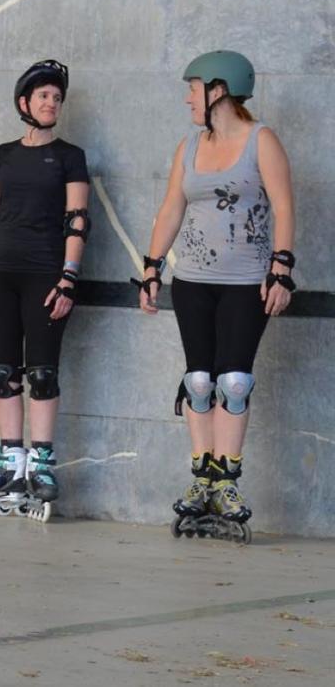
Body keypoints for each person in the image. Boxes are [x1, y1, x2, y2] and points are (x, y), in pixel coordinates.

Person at [135, 50, 295, 542]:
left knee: (234, 380)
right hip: (194, 282)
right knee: (200, 381)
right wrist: (151, 266)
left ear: (219, 90)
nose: (188, 97)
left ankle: (228, 481)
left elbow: (285, 206)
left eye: (193, 87)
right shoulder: (188, 146)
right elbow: (170, 210)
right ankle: (201, 476)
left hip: (248, 281)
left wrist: (282, 269)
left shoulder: (260, 141)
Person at [0, 59, 90, 519]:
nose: (52, 103)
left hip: (46, 275)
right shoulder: (3, 154)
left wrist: (69, 276)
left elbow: (78, 220)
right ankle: (11, 463)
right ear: (24, 103)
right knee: (2, 371)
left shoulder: (71, 156)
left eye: (56, 97)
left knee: (43, 374)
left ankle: (43, 465)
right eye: (43, 96)